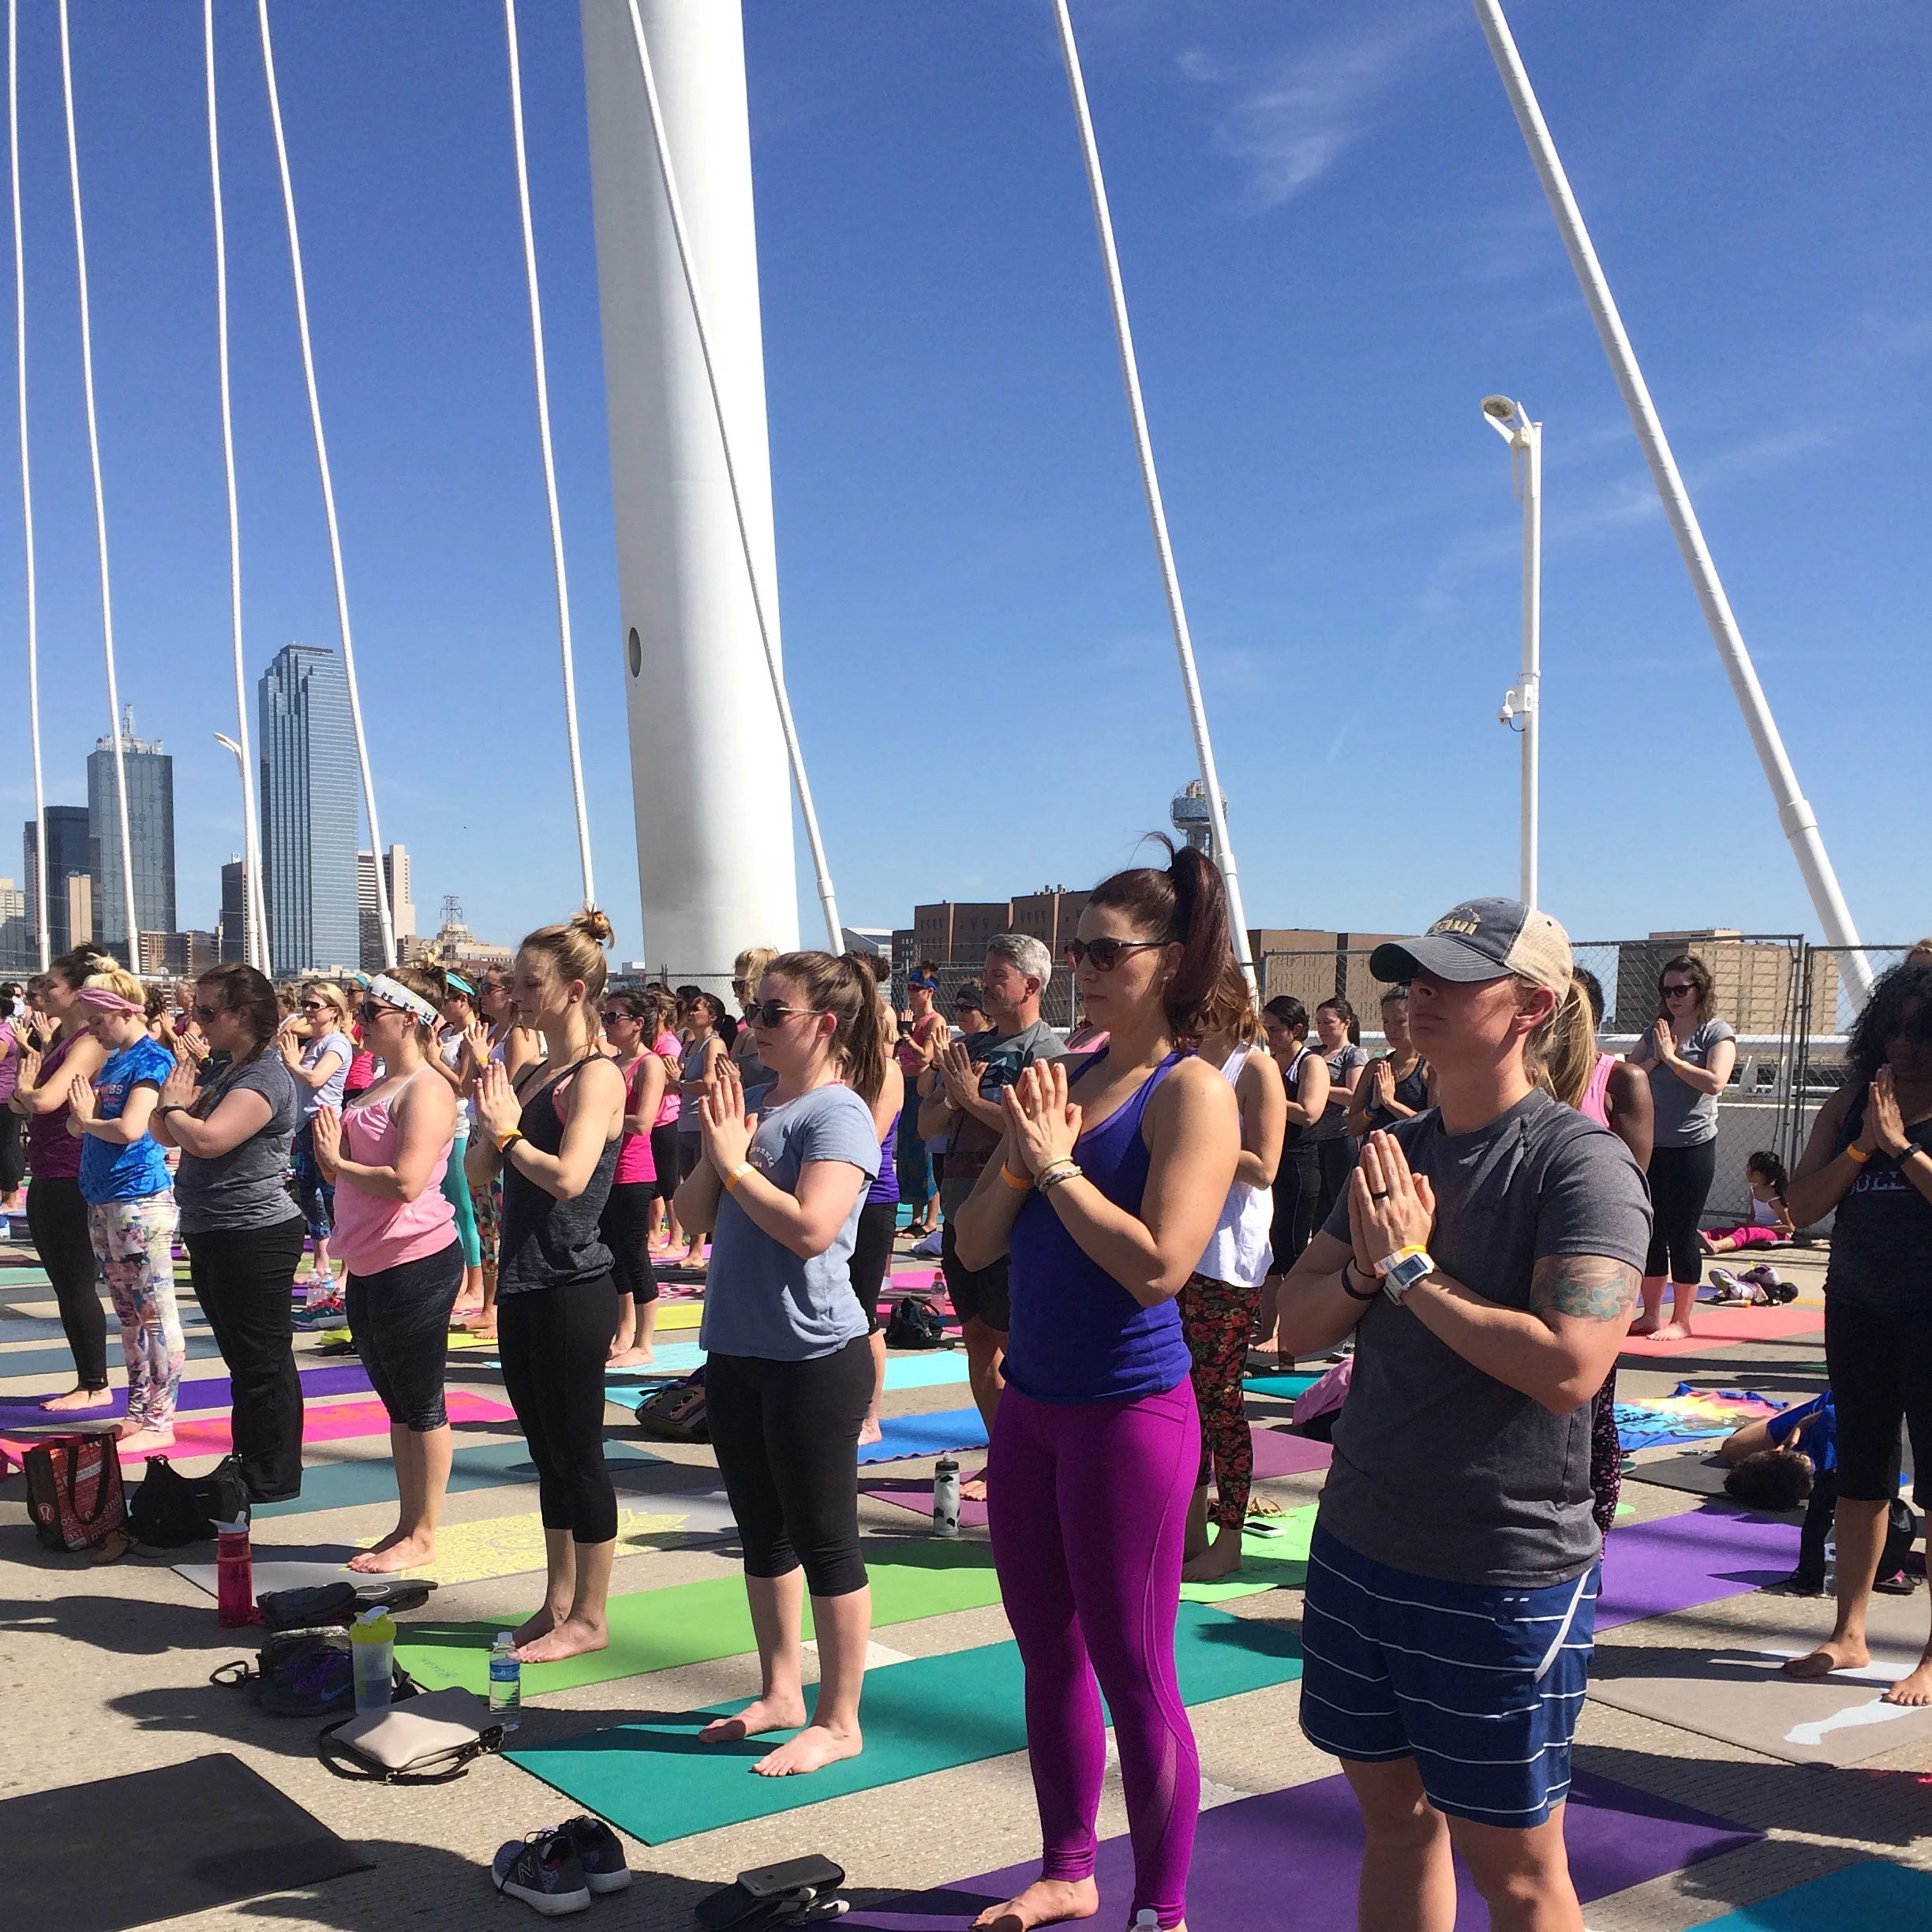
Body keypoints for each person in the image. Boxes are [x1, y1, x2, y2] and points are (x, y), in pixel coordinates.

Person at [1277, 898, 1650, 1932]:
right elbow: (1293, 1327)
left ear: (1531, 1005)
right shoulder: (1390, 1151)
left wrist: (1408, 1270)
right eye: (1413, 976)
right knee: (1394, 1825)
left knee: (1520, 1874)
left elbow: (1571, 1366)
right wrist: (1364, 1262)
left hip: (1497, 1574)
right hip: (1360, 1545)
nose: (1418, 995)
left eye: (1450, 977)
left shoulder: (1580, 1165)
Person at [953, 844, 1241, 1932]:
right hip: (1032, 1410)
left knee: (1135, 1671)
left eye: (1105, 950)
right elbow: (977, 1240)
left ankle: (1160, 1908)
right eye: (1076, 948)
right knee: (1046, 1655)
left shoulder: (1192, 1092)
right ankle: (1067, 1869)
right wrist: (1026, 1160)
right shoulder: (1056, 1084)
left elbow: (1161, 1264)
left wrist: (1060, 1169)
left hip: (1132, 1419)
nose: (1083, 966)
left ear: (1168, 962)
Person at [672, 951, 884, 1776]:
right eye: (749, 1010)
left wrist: (735, 1161)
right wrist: (717, 1149)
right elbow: (693, 1216)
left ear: (823, 1025)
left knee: (825, 1537)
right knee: (761, 1534)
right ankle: (780, 1692)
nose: (751, 1026)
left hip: (813, 1356)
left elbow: (812, 1228)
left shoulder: (840, 1116)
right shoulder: (757, 1108)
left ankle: (840, 1718)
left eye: (770, 1012)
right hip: (737, 1349)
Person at [470, 910, 627, 1664]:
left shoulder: (599, 1075)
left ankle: (592, 1616)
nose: (515, 996)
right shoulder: (533, 1073)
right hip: (525, 1281)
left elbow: (567, 1179)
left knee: (579, 1453)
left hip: (573, 1281)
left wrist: (506, 1134)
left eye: (530, 984)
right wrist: (485, 1124)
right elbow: (480, 1175)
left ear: (572, 989)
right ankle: (558, 1599)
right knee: (546, 1453)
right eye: (513, 982)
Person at [1780, 958, 1932, 1701]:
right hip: (1859, 1305)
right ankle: (1850, 1632)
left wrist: (1903, 1147)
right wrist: (1863, 1145)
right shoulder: (1848, 1105)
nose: (1903, 1046)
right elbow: (1800, 1208)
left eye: (1922, 1032)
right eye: (1894, 1030)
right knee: (1861, 1471)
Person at [311, 967, 462, 1571]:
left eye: (371, 1011)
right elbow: (339, 1172)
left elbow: (406, 1182)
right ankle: (407, 1522)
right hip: (369, 1259)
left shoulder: (425, 1089)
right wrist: (333, 1159)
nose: (360, 1021)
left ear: (409, 1018)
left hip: (415, 1258)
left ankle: (424, 1532)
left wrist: (335, 1161)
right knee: (396, 1401)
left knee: (421, 1400)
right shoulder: (376, 1083)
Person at [917, 934, 1064, 1502]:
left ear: (1031, 984)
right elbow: (929, 1124)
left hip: (1011, 1215)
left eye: (998, 974)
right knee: (977, 1337)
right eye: (986, 972)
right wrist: (955, 1097)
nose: (987, 984)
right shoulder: (971, 1045)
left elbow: (1038, 1132)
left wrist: (972, 1100)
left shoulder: (1045, 1051)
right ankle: (1001, 1452)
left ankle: (1030, 1459)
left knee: (1013, 1342)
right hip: (958, 1210)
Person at [152, 964, 306, 1502]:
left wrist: (175, 1109)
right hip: (215, 1229)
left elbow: (210, 1139)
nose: (196, 1020)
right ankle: (252, 1459)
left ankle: (272, 1473)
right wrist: (172, 1103)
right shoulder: (224, 1069)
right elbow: (161, 1126)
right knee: (242, 1359)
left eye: (207, 1011)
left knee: (261, 1358)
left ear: (241, 1015)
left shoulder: (264, 1076)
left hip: (255, 1233)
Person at [1180, 960, 1285, 1582]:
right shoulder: (1186, 1063)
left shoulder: (1256, 1067)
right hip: (1181, 1245)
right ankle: (1187, 1531)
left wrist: (1199, 1135)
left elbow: (1266, 1165)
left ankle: (1230, 1537)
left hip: (1227, 1257)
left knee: (1219, 1400)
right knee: (1182, 1400)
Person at [1550, 966, 1653, 1539]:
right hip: (1527, 1271)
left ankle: (1597, 1534)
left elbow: (1631, 1186)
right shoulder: (1526, 1080)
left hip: (1592, 1272)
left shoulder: (1621, 1080)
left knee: (1593, 1409)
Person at [64, 966, 183, 1454]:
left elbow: (132, 1127)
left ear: (122, 1012)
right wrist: (85, 1119)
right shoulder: (115, 1062)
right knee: (129, 1313)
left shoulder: (150, 1059)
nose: (91, 1031)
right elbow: (82, 1128)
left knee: (155, 1312)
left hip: (140, 1199)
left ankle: (162, 1416)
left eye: (96, 1021)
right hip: (103, 1198)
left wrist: (90, 1119)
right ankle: (138, 1408)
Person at [6, 948, 110, 1410]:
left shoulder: (89, 1039)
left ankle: (94, 1382)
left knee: (75, 1281)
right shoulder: (58, 1039)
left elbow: (42, 1100)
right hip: (47, 1169)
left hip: (73, 1172)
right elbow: (19, 1101)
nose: (40, 992)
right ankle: (87, 1378)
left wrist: (26, 1094)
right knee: (64, 1283)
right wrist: (25, 1095)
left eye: (51, 985)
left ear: (79, 993)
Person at [1627, 953, 1735, 1341]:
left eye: (1680, 989)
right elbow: (1630, 1073)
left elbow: (1715, 1082)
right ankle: (1651, 1314)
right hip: (1652, 1145)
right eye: (1666, 990)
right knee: (1651, 1230)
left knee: (1682, 1231)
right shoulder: (1655, 1030)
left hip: (1692, 1147)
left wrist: (1672, 1059)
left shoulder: (1715, 1032)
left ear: (1699, 990)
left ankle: (1682, 1320)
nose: (1672, 997)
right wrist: (1658, 1058)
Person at [457, 965, 540, 1342]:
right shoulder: (491, 1033)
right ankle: (489, 1305)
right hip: (480, 1128)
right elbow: (463, 1086)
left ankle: (501, 1307)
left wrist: (483, 1059)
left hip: (504, 1135)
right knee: (484, 1223)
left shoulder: (521, 1034)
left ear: (509, 995)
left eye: (489, 988)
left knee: (503, 1225)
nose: (482, 995)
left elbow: (520, 1088)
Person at [598, 989, 668, 1368]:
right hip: (607, 1172)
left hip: (633, 1173)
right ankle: (624, 1331)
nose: (606, 1024)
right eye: (604, 1017)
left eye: (614, 1018)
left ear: (637, 1024)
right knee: (612, 1256)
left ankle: (645, 1341)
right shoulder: (612, 1063)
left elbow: (643, 1121)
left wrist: (597, 1115)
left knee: (634, 1254)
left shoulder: (648, 1064)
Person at [849, 983, 905, 1447]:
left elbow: (869, 1134)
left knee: (863, 1313)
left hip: (871, 1201)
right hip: (834, 1199)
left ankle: (871, 1416)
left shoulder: (886, 1071)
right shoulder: (837, 1068)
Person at [1258, 995, 1329, 1363]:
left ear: (1296, 1030)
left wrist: (1264, 1095)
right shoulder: (1270, 1062)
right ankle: (1268, 1330)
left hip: (1299, 1168)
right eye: (1265, 1029)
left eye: (1274, 1030)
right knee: (1268, 1250)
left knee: (1292, 1251)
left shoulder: (1310, 1062)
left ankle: (1294, 1334)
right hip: (1270, 1164)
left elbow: (1309, 1113)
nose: (1268, 1036)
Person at [282, 980, 354, 1294]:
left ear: (333, 1012)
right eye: (305, 1004)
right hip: (304, 1124)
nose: (307, 1011)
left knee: (335, 1197)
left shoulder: (336, 1043)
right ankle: (322, 1260)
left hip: (324, 1123)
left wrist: (293, 1064)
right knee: (310, 1196)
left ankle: (348, 1269)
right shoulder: (312, 1043)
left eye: (315, 1006)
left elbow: (316, 1078)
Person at [432, 975, 485, 1319]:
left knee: (467, 1209)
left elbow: (464, 1085)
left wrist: (434, 1060)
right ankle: (462, 1278)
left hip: (464, 1124)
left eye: (448, 999)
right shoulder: (449, 1035)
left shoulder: (471, 1036)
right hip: (446, 1123)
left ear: (463, 1000)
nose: (443, 1007)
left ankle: (476, 1284)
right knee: (451, 1204)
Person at [671, 993, 729, 1266]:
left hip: (704, 1123)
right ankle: (694, 1251)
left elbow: (709, 1082)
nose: (691, 1014)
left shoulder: (713, 1044)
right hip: (686, 1123)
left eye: (697, 1009)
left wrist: (680, 1084)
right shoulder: (689, 1044)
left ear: (712, 1016)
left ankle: (706, 1252)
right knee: (691, 1186)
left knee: (708, 1190)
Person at [893, 964, 948, 1237]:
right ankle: (915, 1216)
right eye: (909, 989)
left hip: (922, 1086)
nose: (911, 995)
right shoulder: (912, 1020)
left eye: (916, 990)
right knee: (908, 1151)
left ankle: (931, 1219)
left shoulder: (935, 1022)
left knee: (925, 1150)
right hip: (906, 1085)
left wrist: (907, 1037)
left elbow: (926, 1058)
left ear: (929, 993)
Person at [1308, 996, 1368, 1234]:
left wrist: (1317, 1088)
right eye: (1319, 1023)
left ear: (1346, 1023)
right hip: (1313, 1139)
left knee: (1340, 1203)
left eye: (1328, 1023)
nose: (1322, 1029)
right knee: (1316, 1206)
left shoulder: (1353, 1055)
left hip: (1341, 1137)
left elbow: (1353, 1095)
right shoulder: (1313, 1054)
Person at [1346, 987, 1432, 1139]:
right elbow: (1353, 1128)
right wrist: (1372, 1108)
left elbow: (1433, 1128)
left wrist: (1390, 1103)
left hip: (1410, 1158)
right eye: (1386, 1021)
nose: (1391, 1029)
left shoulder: (1430, 1068)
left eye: (1400, 1021)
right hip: (1372, 1154)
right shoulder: (1374, 1067)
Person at [646, 991, 685, 1252]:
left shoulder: (668, 1046)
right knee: (656, 1183)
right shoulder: (652, 1042)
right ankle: (654, 1234)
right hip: (653, 1118)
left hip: (667, 1118)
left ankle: (676, 1238)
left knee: (670, 1183)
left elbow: (672, 1083)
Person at [1702, 1150, 1795, 1252]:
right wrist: (1748, 1224)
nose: (1746, 1172)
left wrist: (1761, 1226)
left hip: (1779, 1234)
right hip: (1758, 1229)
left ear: (1758, 1174)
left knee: (1744, 1233)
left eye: (1748, 1169)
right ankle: (1702, 1237)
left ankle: (1717, 1246)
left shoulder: (1776, 1199)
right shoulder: (1754, 1191)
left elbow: (1790, 1228)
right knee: (1725, 1231)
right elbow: (1753, 1217)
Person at [0, 984, 26, 1215]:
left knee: (5, 1147)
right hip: (7, 1095)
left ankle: (11, 1196)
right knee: (7, 1145)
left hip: (3, 1097)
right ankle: (8, 1192)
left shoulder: (2, 1034)